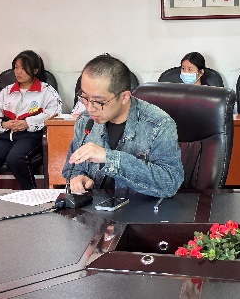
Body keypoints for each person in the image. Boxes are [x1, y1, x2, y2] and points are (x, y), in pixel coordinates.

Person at [62, 55, 184, 198]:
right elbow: (72, 168)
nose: (90, 108)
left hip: (141, 208)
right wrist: (78, 177)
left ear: (124, 97)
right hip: (97, 207)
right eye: (85, 97)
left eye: (99, 102)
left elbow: (169, 183)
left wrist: (110, 158)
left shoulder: (158, 124)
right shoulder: (85, 121)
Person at [0, 50, 62, 189]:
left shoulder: (46, 91)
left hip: (29, 136)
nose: (18, 72)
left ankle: (31, 195)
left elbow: (54, 113)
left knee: (15, 159)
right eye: (16, 67)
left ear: (35, 70)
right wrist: (4, 124)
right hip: (5, 135)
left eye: (23, 68)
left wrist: (28, 123)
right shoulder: (7, 91)